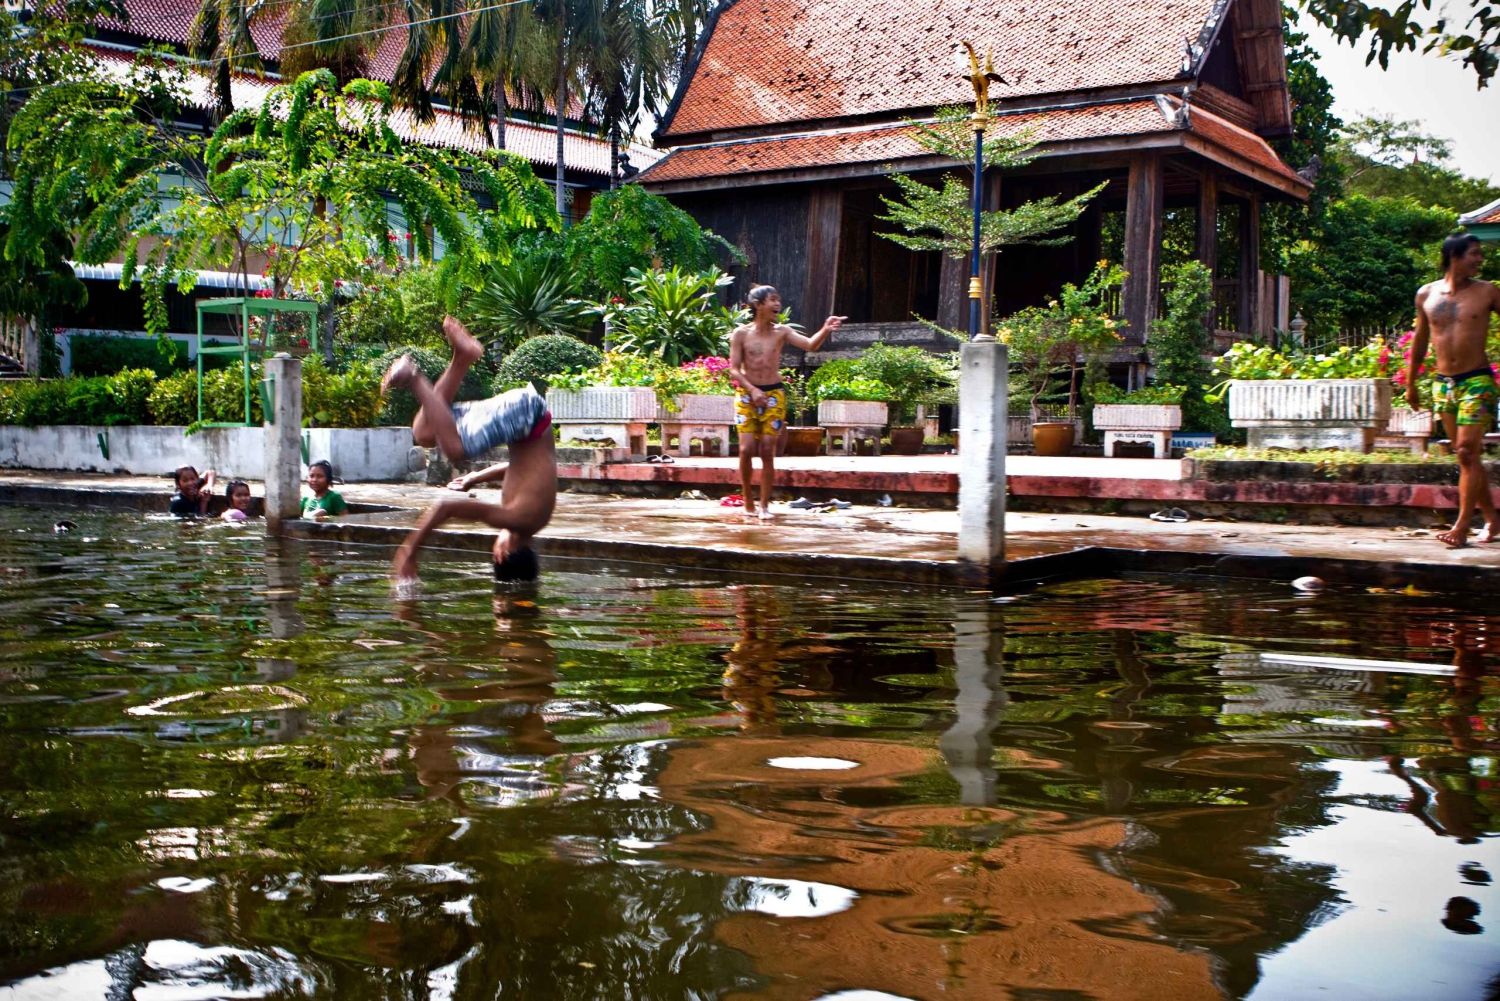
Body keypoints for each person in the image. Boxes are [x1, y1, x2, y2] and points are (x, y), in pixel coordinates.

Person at [382, 316, 556, 582]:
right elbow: (446, 506)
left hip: (526, 413)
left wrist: (473, 478)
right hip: (528, 416)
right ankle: (413, 376)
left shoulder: (532, 518)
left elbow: (517, 467)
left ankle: (462, 357)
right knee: (455, 450)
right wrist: (409, 552)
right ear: (501, 555)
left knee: (425, 432)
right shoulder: (518, 519)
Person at [1406, 233, 1500, 548]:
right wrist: (1410, 382)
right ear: (1453, 255)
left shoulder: (1487, 292)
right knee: (1467, 458)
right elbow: (1420, 340)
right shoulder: (1426, 294)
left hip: (1477, 380)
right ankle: (1492, 520)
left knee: (1466, 451)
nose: (1480, 260)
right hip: (1443, 384)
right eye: (1474, 254)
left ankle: (1461, 525)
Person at [726, 286, 844, 521]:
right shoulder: (740, 334)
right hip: (747, 395)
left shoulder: (782, 331)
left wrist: (826, 329)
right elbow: (733, 369)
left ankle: (764, 506)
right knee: (746, 449)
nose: (778, 304)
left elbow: (810, 345)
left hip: (774, 395)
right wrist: (752, 389)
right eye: (772, 300)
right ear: (758, 305)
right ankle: (748, 500)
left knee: (767, 451)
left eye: (779, 299)